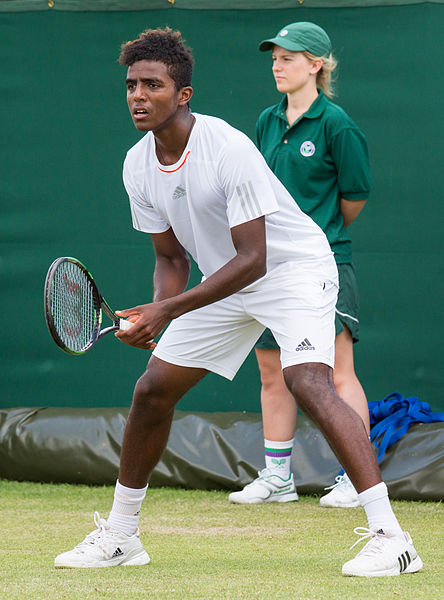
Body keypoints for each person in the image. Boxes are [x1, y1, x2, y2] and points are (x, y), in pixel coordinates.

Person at [53, 27, 422, 577]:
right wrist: (157, 315)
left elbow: (254, 257)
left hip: (293, 269)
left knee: (307, 380)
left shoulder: (226, 146)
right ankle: (122, 536)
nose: (137, 95)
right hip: (225, 281)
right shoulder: (137, 165)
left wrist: (167, 310)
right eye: (131, 84)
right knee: (153, 389)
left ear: (183, 95)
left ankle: (392, 539)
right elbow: (171, 260)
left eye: (153, 85)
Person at [228, 22, 371, 509]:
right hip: (270, 265)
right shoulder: (266, 121)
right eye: (274, 57)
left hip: (326, 262)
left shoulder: (338, 124)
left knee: (334, 371)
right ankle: (278, 478)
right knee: (273, 371)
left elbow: (353, 198)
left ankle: (357, 478)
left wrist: (315, 236)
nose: (277, 65)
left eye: (288, 57)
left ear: (316, 64)